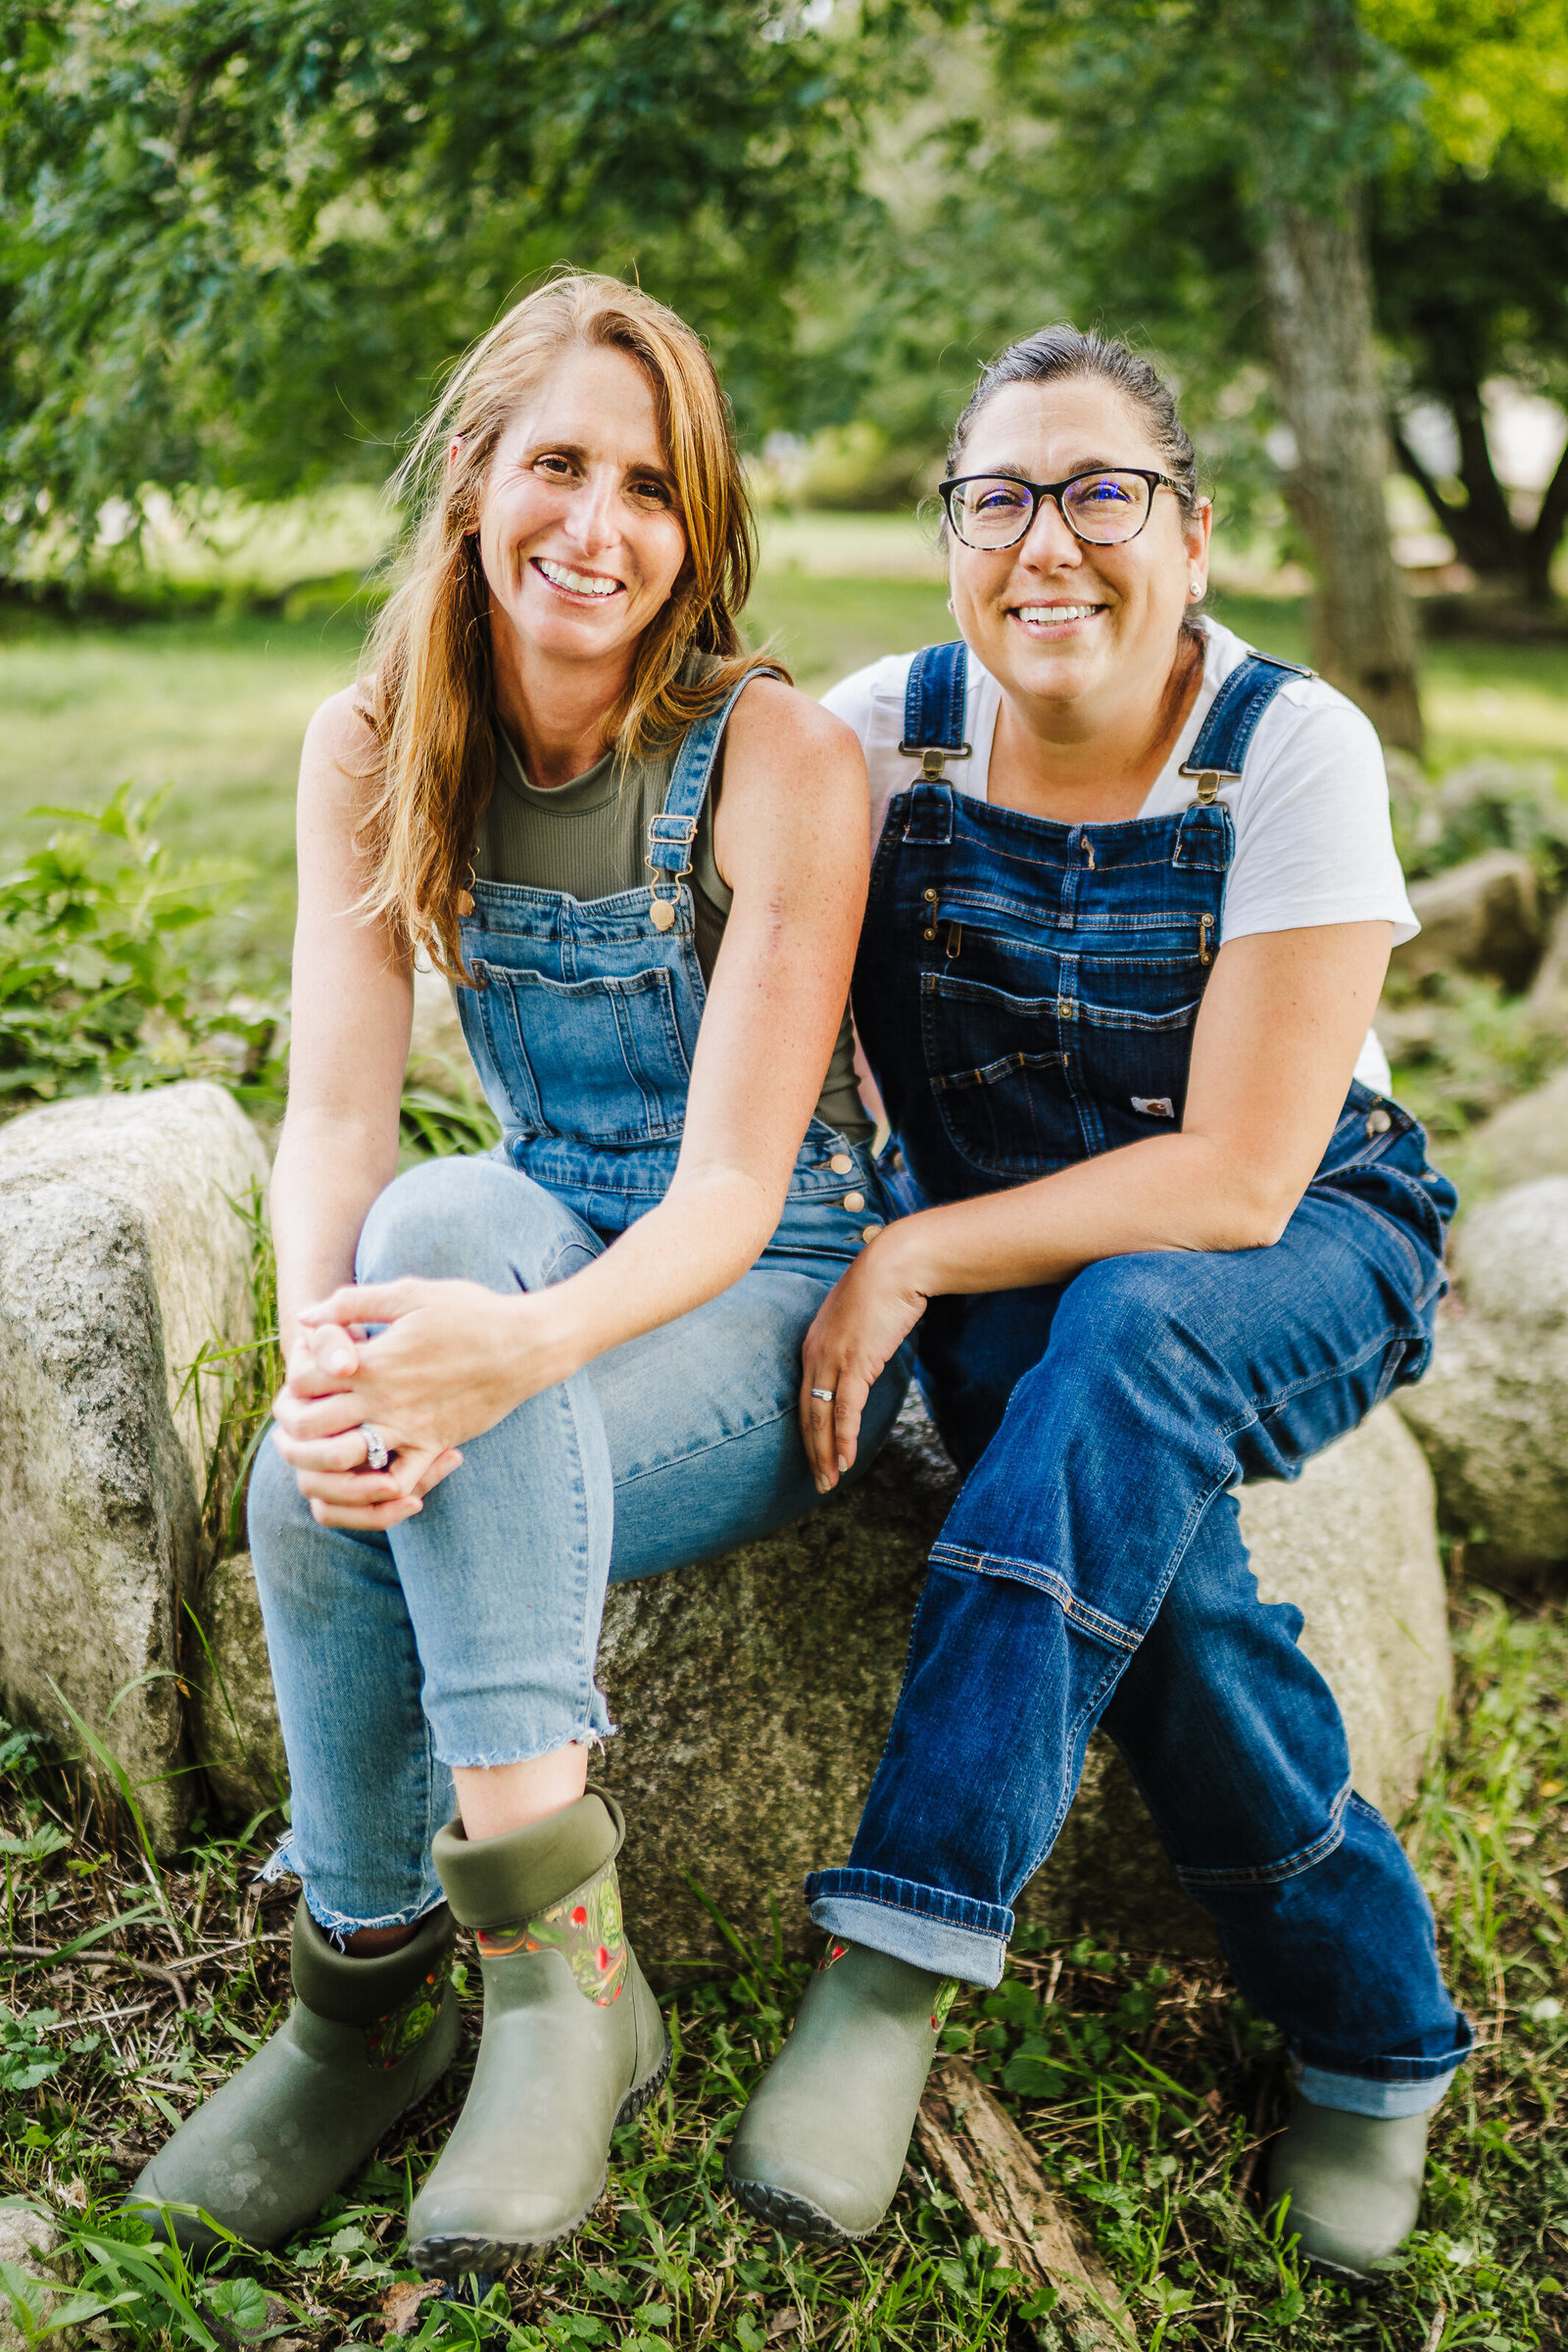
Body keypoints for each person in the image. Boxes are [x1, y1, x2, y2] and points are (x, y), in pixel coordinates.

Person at [131, 273, 907, 2272]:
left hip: (754, 1295)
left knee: (429, 1390)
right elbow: (336, 1122)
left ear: (696, 528)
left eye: (649, 488)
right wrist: (336, 1360)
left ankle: (561, 1996)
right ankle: (360, 2006)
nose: (596, 525)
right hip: (543, 1223)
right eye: (556, 463)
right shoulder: (378, 737)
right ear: (475, 476)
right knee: (341, 1418)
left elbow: (737, 1188)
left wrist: (508, 1362)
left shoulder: (776, 759)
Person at [724, 327, 1471, 2280]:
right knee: (1170, 1585)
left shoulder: (1289, 746)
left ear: (1191, 535)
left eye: (1096, 492)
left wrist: (901, 1255)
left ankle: (889, 1962)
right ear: (949, 538)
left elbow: (1232, 1174)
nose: (1042, 542)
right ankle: (1376, 2041)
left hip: (1300, 1234)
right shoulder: (885, 737)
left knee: (1131, 1330)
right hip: (1013, 1262)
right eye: (994, 497)